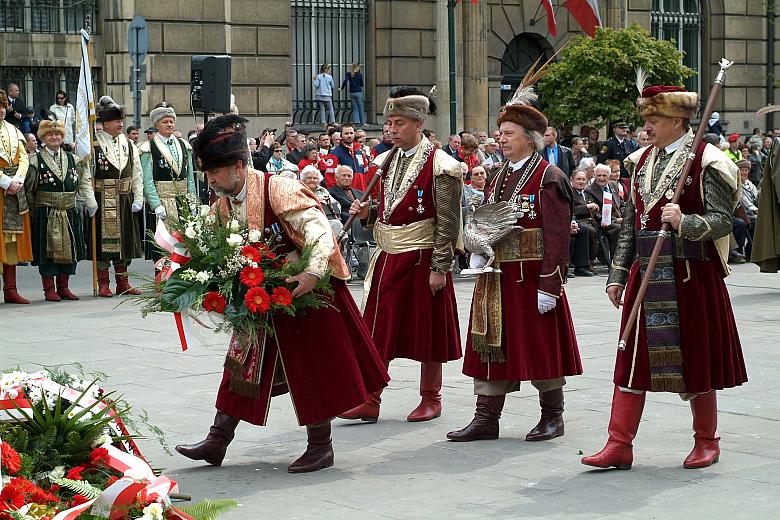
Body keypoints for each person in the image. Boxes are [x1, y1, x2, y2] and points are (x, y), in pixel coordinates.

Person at [175, 114, 389, 473]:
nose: (209, 181)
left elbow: (319, 230)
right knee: (241, 363)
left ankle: (321, 447)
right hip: (260, 296)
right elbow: (205, 242)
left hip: (307, 290)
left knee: (313, 368)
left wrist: (311, 271)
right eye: (207, 174)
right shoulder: (223, 203)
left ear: (239, 166)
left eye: (215, 172)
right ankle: (217, 440)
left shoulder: (280, 188)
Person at [582, 84, 747, 471]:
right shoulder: (641, 161)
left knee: (696, 359)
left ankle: (707, 440)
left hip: (690, 275)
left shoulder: (709, 161)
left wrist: (686, 221)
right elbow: (629, 225)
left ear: (677, 120)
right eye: (645, 119)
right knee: (631, 358)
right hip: (646, 272)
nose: (646, 127)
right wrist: (617, 274)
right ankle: (619, 444)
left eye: (653, 120)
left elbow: (726, 221)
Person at [448, 92, 582, 443]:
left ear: (529, 138)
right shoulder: (496, 176)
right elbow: (483, 219)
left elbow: (555, 235)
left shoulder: (549, 177)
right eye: (500, 133)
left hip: (532, 276)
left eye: (508, 133)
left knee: (540, 345)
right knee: (491, 342)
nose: (501, 139)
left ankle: (553, 416)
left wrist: (550, 284)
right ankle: (486, 417)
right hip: (497, 276)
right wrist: (476, 248)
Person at [340, 86, 463, 423]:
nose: (391, 129)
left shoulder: (443, 165)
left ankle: (431, 398)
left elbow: (449, 221)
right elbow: (389, 209)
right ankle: (370, 397)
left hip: (423, 258)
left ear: (418, 124)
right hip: (388, 257)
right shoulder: (386, 160)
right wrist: (366, 212)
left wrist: (440, 267)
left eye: (399, 123)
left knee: (427, 332)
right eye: (389, 123)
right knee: (377, 328)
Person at [26, 120, 96, 301]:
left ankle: (64, 286)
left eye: (57, 134)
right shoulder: (35, 161)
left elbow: (80, 184)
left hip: (69, 209)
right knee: (47, 250)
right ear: (43, 137)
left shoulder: (72, 159)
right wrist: (35, 212)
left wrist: (83, 203)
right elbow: (30, 190)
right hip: (46, 211)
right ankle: (49, 288)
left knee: (70, 249)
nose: (54, 137)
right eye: (50, 135)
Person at [87, 96, 144, 297]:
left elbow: (137, 172)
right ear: (106, 123)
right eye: (116, 121)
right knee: (103, 242)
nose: (121, 124)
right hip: (103, 198)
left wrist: (139, 197)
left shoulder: (129, 144)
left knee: (125, 241)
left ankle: (123, 282)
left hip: (124, 197)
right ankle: (103, 282)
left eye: (121, 120)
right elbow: (87, 175)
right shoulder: (95, 145)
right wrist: (89, 199)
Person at [139, 103, 196, 260]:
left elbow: (190, 177)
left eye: (171, 121)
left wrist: (192, 201)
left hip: (182, 201)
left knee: (186, 244)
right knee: (164, 247)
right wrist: (156, 204)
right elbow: (147, 180)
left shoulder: (184, 145)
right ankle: (161, 281)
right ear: (156, 125)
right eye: (165, 122)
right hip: (163, 202)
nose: (169, 124)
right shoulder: (148, 148)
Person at [0, 89, 33, 303]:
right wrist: (4, 181)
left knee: (11, 239)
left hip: (14, 190)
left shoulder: (14, 129)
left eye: (3, 106)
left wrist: (18, 180)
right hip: (2, 188)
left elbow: (24, 158)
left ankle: (10, 289)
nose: (1, 110)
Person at [585, 163, 623, 259]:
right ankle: (617, 261)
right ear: (594, 175)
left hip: (620, 218)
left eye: (604, 175)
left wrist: (626, 216)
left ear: (609, 176)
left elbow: (621, 204)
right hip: (603, 222)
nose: (601, 178)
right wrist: (615, 220)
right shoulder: (589, 191)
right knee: (618, 228)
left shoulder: (613, 185)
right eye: (598, 175)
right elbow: (595, 213)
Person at [301, 164, 342, 235]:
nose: (312, 180)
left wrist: (327, 203)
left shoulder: (323, 190)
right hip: (309, 220)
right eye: (309, 178)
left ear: (319, 180)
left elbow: (336, 204)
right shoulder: (300, 190)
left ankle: (338, 245)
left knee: (340, 225)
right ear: (304, 179)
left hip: (326, 218)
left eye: (315, 178)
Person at [570, 169, 597, 276]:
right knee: (587, 229)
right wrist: (587, 207)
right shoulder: (570, 192)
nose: (581, 182)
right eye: (578, 179)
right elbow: (571, 209)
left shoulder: (587, 193)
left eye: (583, 179)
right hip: (576, 220)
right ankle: (583, 265)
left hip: (592, 220)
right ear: (572, 180)